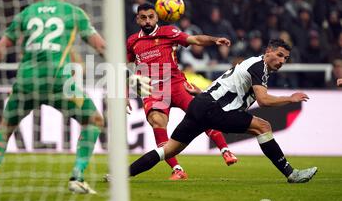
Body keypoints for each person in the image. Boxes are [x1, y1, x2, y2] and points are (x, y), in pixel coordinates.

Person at [0, 0, 107, 195]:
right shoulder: (75, 13)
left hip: (26, 82)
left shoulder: (28, 12)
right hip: (58, 83)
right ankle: (77, 177)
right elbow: (101, 47)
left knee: (5, 129)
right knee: (94, 120)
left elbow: (0, 49)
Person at [129, 39, 318, 184]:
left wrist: (201, 94)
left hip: (201, 104)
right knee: (263, 126)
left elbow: (224, 86)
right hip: (215, 109)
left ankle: (123, 175)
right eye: (279, 55)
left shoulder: (253, 63)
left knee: (168, 150)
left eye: (285, 58)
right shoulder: (258, 67)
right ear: (268, 51)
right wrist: (290, 99)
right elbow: (264, 100)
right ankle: (291, 174)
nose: (282, 61)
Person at [126, 3, 237, 180]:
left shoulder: (168, 32)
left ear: (157, 17)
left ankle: (225, 150)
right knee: (157, 122)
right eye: (143, 17)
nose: (147, 21)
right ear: (137, 19)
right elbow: (126, 68)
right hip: (153, 90)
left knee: (201, 113)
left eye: (151, 16)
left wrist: (214, 40)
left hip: (176, 83)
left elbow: (195, 40)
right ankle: (177, 169)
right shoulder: (132, 41)